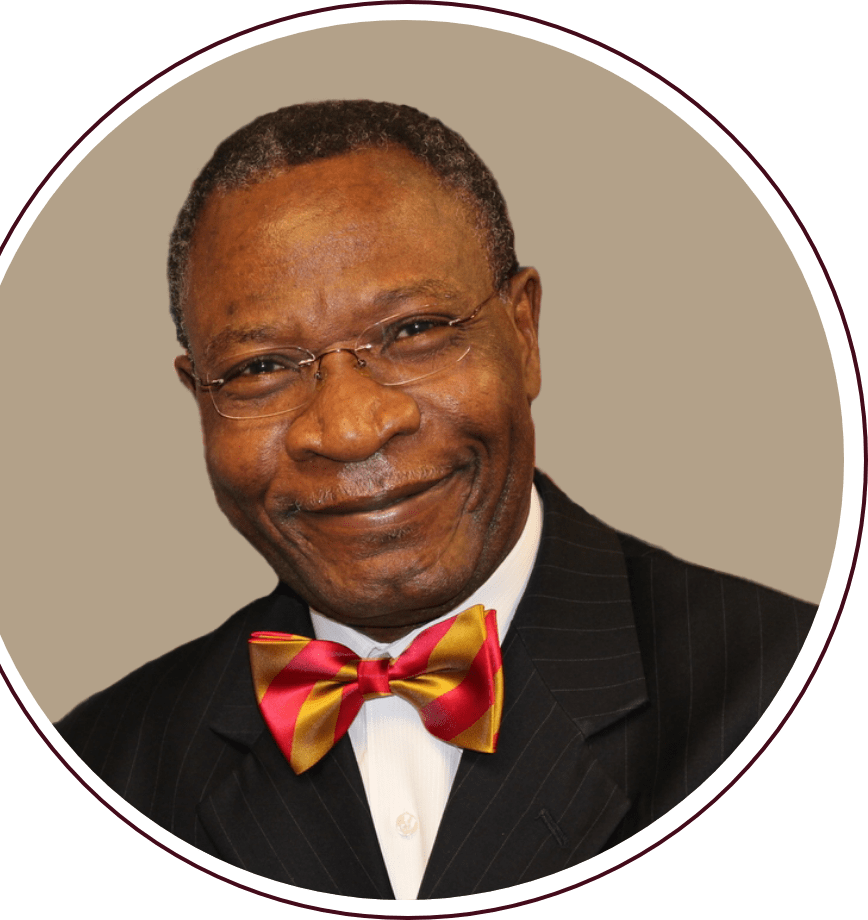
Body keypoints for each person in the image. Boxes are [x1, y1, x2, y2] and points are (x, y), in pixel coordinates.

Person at [56, 100, 816, 901]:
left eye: (414, 330)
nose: (349, 429)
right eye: (259, 369)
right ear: (199, 397)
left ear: (523, 334)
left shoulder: (799, 697)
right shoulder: (97, 772)